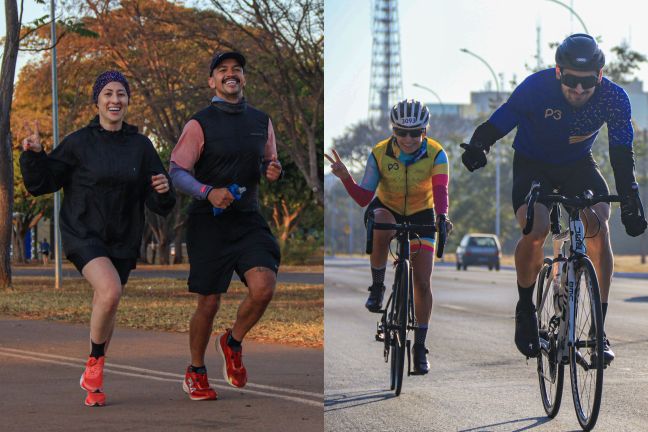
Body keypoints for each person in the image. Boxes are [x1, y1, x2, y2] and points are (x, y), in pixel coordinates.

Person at [460, 34, 647, 362]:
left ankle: (597, 330)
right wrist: (479, 144)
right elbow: (502, 119)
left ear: (600, 77)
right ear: (559, 72)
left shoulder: (614, 98)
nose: (578, 90)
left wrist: (630, 195)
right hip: (533, 164)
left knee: (599, 225)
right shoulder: (537, 87)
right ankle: (524, 307)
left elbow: (621, 152)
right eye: (571, 81)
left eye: (587, 82)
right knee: (537, 229)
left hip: (577, 165)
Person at [20, 70, 176, 406]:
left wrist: (164, 190)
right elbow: (42, 182)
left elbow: (157, 199)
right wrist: (34, 154)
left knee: (108, 302)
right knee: (110, 290)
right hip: (83, 231)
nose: (115, 100)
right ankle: (94, 360)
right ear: (97, 101)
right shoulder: (78, 142)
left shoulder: (140, 146)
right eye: (108, 94)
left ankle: (95, 378)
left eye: (121, 93)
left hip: (123, 236)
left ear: (128, 101)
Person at [170, 51, 282, 401]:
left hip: (247, 218)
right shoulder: (198, 124)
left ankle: (232, 342)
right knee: (209, 302)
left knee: (263, 287)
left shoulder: (261, 121)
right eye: (223, 71)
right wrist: (207, 192)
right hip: (209, 223)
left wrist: (273, 169)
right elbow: (176, 172)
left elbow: (270, 160)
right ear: (212, 81)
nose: (231, 74)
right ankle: (196, 370)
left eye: (237, 70)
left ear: (243, 79)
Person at [325, 99, 452, 374]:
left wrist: (441, 217)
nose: (408, 139)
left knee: (422, 281)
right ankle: (378, 286)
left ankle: (419, 346)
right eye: (401, 132)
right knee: (380, 221)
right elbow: (363, 198)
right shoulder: (379, 153)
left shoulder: (437, 154)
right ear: (393, 130)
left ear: (425, 131)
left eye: (415, 133)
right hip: (388, 208)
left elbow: (440, 190)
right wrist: (346, 177)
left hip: (421, 213)